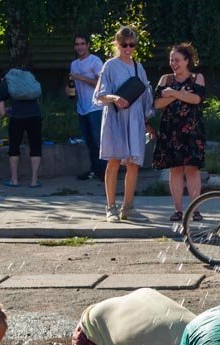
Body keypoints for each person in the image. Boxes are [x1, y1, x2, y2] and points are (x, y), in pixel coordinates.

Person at [95, 25, 153, 222]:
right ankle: (110, 207)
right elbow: (100, 95)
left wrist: (147, 120)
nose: (128, 48)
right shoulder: (110, 66)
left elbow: (146, 94)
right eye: (124, 45)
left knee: (133, 163)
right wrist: (114, 97)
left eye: (132, 45)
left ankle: (128, 207)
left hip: (135, 117)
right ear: (117, 44)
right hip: (115, 116)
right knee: (113, 162)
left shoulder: (138, 67)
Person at [152, 42, 206, 223]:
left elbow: (196, 98)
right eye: (171, 60)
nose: (174, 63)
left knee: (192, 169)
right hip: (170, 130)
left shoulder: (197, 77)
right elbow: (157, 103)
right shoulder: (165, 79)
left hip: (191, 130)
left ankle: (195, 210)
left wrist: (173, 94)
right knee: (174, 169)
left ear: (187, 61)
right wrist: (179, 94)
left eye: (177, 60)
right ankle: (178, 210)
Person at [0, 62, 42, 188]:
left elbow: (1, 113)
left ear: (3, 77)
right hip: (35, 116)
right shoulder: (27, 81)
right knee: (35, 147)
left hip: (17, 118)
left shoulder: (3, 84)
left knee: (14, 147)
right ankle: (34, 181)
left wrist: (7, 112)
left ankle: (14, 180)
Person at [68, 34, 105, 181]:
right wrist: (70, 90)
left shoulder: (95, 61)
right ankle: (94, 170)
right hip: (82, 107)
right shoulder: (74, 64)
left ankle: (105, 172)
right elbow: (73, 85)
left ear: (88, 45)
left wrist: (82, 78)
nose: (80, 47)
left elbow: (101, 83)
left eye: (82, 44)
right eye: (77, 44)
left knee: (98, 141)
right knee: (89, 141)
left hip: (96, 106)